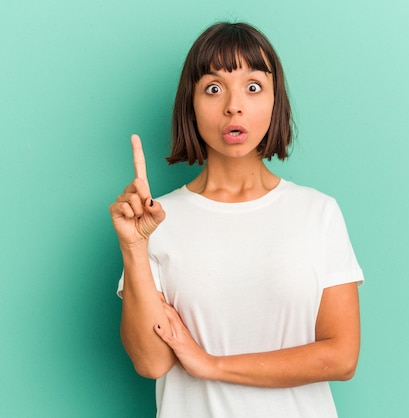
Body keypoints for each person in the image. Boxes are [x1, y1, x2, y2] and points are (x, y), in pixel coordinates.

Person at [109, 22, 364, 418]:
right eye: (213, 88)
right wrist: (134, 246)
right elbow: (151, 362)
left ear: (275, 101)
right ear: (190, 105)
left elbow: (341, 356)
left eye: (253, 86)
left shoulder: (318, 213)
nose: (233, 105)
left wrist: (212, 365)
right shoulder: (157, 220)